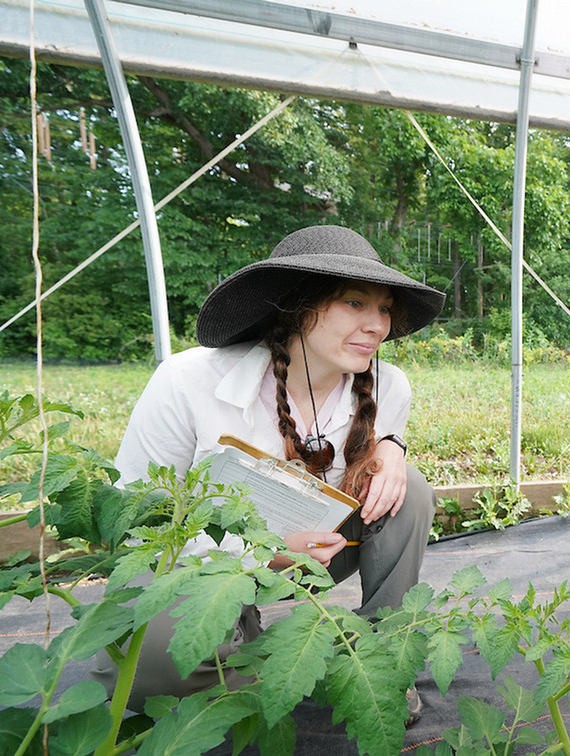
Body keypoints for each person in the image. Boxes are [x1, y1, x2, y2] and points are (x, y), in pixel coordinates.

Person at [91, 224, 444, 725]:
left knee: (411, 492)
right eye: (355, 303)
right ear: (295, 305)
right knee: (154, 665)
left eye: (384, 308)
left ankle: (382, 657)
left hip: (321, 557)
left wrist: (393, 448)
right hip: (201, 569)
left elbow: (384, 443)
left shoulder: (389, 384)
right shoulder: (188, 382)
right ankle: (271, 663)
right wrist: (263, 554)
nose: (378, 325)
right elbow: (134, 516)